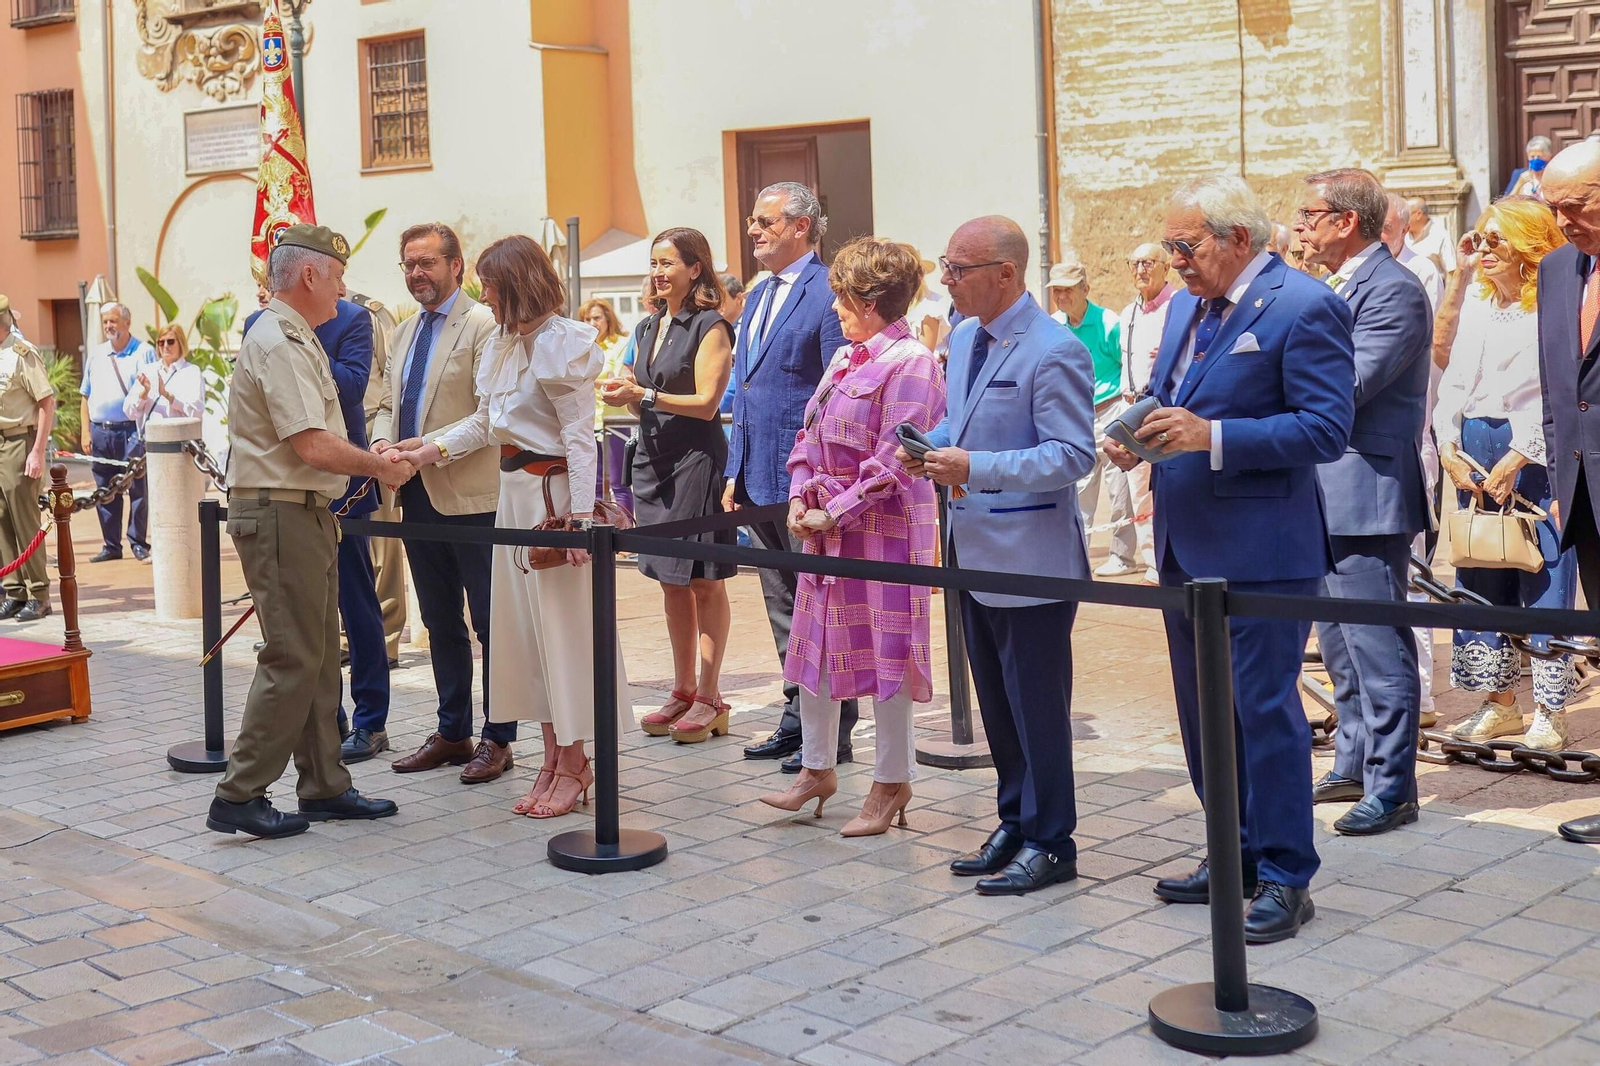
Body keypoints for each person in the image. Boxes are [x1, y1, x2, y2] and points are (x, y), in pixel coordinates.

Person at [1107, 175, 1355, 942]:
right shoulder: (1186, 306)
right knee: (1201, 713)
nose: (1173, 260)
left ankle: (1285, 874)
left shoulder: (1304, 305)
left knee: (1262, 715)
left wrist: (1213, 438)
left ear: (1237, 239)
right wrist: (1134, 431)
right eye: (1171, 245)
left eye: (1186, 246)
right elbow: (1169, 390)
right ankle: (1233, 849)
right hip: (1186, 544)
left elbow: (1325, 429)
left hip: (1263, 550)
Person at [396, 235, 629, 819]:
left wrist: (578, 522)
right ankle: (554, 759)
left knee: (559, 636)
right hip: (514, 501)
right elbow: (484, 424)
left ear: (515, 282)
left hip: (551, 504)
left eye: (490, 282)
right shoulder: (506, 342)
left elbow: (581, 439)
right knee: (525, 639)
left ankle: (575, 762)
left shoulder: (563, 343)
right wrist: (424, 449)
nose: (483, 292)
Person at [901, 216, 1095, 896]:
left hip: (1030, 555)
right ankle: (1016, 819)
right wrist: (932, 444)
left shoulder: (1054, 349)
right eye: (946, 267)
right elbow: (967, 417)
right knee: (998, 704)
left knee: (1037, 706)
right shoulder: (964, 336)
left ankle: (1052, 839)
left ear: (1005, 275)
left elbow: (1072, 455)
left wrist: (972, 465)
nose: (946, 280)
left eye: (958, 269)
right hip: (971, 548)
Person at [208, 224, 402, 839]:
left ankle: (324, 783)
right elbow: (311, 443)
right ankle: (239, 793)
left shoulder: (295, 335)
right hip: (281, 511)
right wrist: (378, 465)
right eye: (338, 274)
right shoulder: (280, 340)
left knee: (318, 659)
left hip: (303, 512)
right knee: (293, 657)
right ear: (312, 274)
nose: (345, 286)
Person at [757, 237, 946, 835]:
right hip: (824, 529)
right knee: (813, 644)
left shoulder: (912, 362)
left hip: (882, 530)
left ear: (868, 301)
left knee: (885, 654)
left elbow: (898, 456)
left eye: (841, 296)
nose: (833, 308)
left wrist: (834, 509)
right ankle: (817, 768)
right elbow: (807, 433)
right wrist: (798, 493)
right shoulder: (846, 358)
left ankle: (892, 782)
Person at [1292, 169, 1433, 836]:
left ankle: (1392, 784)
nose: (1299, 228)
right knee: (1338, 642)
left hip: (1365, 489)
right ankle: (1353, 760)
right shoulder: (1338, 287)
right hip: (1320, 485)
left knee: (1378, 645)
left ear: (1346, 221)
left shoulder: (1394, 291)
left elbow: (1348, 383)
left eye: (1308, 215)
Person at [369, 222, 510, 784]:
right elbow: (384, 400)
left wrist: (426, 452)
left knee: (490, 622)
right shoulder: (403, 331)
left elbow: (488, 413)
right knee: (438, 619)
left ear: (457, 266)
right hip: (415, 495)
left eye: (426, 263)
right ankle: (453, 731)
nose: (416, 274)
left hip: (472, 495)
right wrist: (381, 444)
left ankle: (499, 738)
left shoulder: (482, 325)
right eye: (408, 264)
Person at [1434, 198, 1576, 752]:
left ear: (1529, 244)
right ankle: (1498, 704)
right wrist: (1447, 442)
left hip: (1534, 452)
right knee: (1479, 572)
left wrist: (1522, 455)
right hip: (1475, 445)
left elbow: (1557, 388)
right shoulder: (1478, 301)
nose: (1485, 249)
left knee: (1543, 575)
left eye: (1497, 240)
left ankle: (1550, 710)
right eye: (1480, 238)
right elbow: (1453, 377)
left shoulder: (1552, 307)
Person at [725, 182, 858, 771]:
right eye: (752, 221)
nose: (753, 230)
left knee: (821, 607)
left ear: (801, 227)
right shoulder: (757, 296)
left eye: (764, 222)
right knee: (783, 606)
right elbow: (747, 391)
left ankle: (834, 731)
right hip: (756, 476)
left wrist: (820, 479)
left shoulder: (825, 292)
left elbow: (834, 391)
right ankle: (795, 719)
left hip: (805, 479)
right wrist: (735, 470)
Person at [601, 228, 736, 742]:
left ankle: (710, 695)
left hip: (695, 463)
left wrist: (645, 394)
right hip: (652, 460)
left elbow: (706, 403)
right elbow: (641, 398)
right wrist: (625, 396)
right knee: (669, 578)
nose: (658, 272)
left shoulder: (711, 325)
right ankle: (681, 690)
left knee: (703, 579)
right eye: (653, 263)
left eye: (668, 263)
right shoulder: (647, 325)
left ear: (694, 268)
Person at [1538, 140, 1600, 844]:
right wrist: (1560, 483)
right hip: (1583, 499)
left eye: (1574, 206)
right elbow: (1559, 390)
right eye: (1551, 208)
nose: (1560, 222)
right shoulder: (1557, 271)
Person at [311, 296, 390, 761]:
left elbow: (352, 387)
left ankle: (370, 721)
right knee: (310, 610)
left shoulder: (352, 318)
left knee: (356, 604)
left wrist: (303, 345)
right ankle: (327, 714)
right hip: (290, 485)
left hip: (345, 487)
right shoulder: (260, 323)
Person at [1383, 192, 1447, 729]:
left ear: (1405, 228)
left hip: (1411, 436)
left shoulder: (1418, 275)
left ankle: (1421, 693)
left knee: (1413, 569)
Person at [1048, 261, 1132, 576]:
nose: (1061, 296)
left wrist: (1125, 414)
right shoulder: (1054, 325)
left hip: (1110, 411)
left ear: (1085, 289)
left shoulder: (1110, 323)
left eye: (1067, 289)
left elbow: (1127, 365)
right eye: (1057, 290)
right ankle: (1077, 556)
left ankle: (1123, 556)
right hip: (1076, 416)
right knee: (1078, 490)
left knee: (1118, 488)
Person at [349, 291, 406, 666]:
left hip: (370, 435)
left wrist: (385, 441)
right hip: (330, 441)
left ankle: (385, 638)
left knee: (382, 543)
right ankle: (347, 634)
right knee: (347, 542)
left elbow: (391, 382)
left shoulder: (368, 313)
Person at [1118, 243, 1177, 582]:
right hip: (1132, 407)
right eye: (1135, 263)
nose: (1141, 270)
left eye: (1148, 263)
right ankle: (1152, 559)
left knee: (1168, 487)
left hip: (1165, 409)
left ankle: (1171, 556)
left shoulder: (1179, 307)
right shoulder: (1128, 314)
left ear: (1165, 268)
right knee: (1139, 489)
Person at [80, 303, 154, 562]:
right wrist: (85, 432)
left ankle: (137, 543)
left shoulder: (144, 352)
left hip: (130, 432)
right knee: (105, 489)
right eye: (105, 323)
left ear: (126, 323)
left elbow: (151, 391)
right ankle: (111, 546)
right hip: (101, 432)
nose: (109, 326)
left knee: (137, 488)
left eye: (113, 321)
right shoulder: (97, 354)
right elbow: (85, 395)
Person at [0, 297, 54, 622]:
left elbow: (46, 403)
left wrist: (37, 451)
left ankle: (40, 594)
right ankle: (15, 592)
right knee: (2, 519)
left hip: (20, 442)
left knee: (25, 520)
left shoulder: (23, 353)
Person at [582, 297, 633, 516]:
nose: (592, 323)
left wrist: (589, 380)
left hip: (615, 423)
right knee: (594, 484)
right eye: (587, 319)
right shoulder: (582, 345)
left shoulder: (622, 343)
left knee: (618, 483)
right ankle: (599, 539)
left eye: (596, 318)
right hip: (589, 422)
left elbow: (622, 379)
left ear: (608, 319)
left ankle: (625, 535)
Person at [125, 324, 204, 427]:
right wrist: (145, 393)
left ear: (180, 343)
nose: (165, 346)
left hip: (180, 439)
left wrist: (168, 396)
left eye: (170, 342)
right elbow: (129, 412)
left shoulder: (191, 372)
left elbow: (197, 411)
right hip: (151, 440)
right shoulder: (148, 370)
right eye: (161, 342)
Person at [1406, 197, 1458, 276]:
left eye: (1406, 214)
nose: (1403, 218)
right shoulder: (1402, 235)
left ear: (1419, 214)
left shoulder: (1440, 236)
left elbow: (1451, 271)